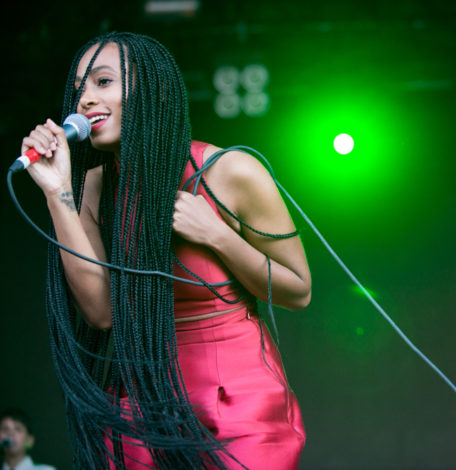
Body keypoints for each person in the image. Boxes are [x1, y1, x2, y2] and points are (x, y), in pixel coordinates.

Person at [19, 31, 311, 469]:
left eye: (103, 82)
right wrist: (57, 191)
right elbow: (101, 314)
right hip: (143, 403)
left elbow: (298, 291)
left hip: (236, 399)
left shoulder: (229, 171)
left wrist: (217, 235)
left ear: (151, 90)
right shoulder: (92, 189)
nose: (85, 99)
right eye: (79, 89)